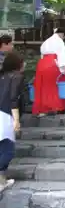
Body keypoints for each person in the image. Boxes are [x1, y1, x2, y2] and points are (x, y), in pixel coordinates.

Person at [32, 27, 65, 117]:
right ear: (63, 35)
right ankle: (56, 107)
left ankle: (43, 108)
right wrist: (64, 68)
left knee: (43, 86)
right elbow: (62, 55)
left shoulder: (46, 42)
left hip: (42, 64)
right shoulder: (59, 41)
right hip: (53, 64)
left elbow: (42, 55)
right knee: (56, 85)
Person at [0, 51, 25, 192]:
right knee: (7, 150)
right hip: (5, 116)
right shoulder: (16, 77)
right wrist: (16, 121)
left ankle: (2, 182)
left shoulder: (2, 75)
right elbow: (13, 99)